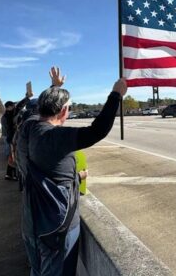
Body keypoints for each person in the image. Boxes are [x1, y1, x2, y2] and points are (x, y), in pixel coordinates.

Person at [17, 67, 127, 276]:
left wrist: (55, 88)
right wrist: (116, 94)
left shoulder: (28, 127)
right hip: (55, 229)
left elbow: (47, 176)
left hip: (30, 221)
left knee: (37, 270)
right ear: (64, 111)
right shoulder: (55, 137)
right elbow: (97, 130)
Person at [1, 90, 33, 180]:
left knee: (12, 156)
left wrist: (27, 97)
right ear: (8, 107)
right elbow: (19, 106)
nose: (14, 107)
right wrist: (27, 98)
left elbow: (19, 106)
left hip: (10, 138)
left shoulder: (5, 116)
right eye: (12, 106)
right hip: (13, 138)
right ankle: (14, 175)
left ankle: (8, 174)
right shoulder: (10, 115)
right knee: (15, 156)